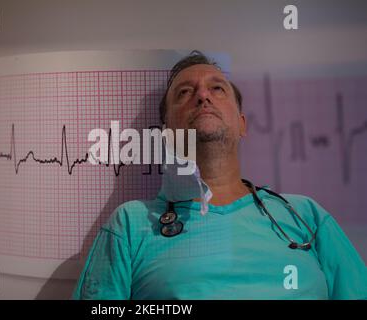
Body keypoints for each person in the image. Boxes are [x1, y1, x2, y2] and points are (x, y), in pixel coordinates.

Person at [71, 51, 367, 300]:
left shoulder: (306, 215)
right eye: (184, 92)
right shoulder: (130, 225)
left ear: (242, 124)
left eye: (217, 89)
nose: (202, 96)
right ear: (167, 135)